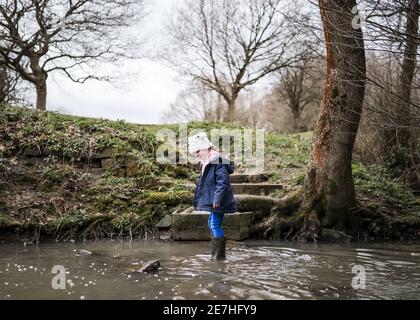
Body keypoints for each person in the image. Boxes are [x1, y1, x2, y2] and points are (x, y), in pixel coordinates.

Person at [188, 132, 237, 260]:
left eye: (198, 151)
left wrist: (217, 199)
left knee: (215, 224)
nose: (197, 155)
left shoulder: (217, 161)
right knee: (211, 223)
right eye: (195, 153)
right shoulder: (208, 162)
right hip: (213, 199)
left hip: (218, 200)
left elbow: (222, 182)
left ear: (205, 148)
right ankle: (215, 253)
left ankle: (219, 256)